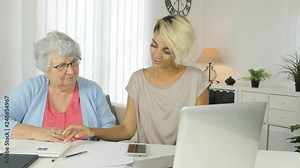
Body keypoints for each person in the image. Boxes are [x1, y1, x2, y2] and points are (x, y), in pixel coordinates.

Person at [63, 15, 210, 145]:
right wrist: (91, 131)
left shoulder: (196, 79)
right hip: (147, 160)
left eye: (166, 51)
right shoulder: (138, 79)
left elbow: (202, 133)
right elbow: (127, 129)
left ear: (179, 51)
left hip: (184, 160)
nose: (156, 55)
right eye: (153, 45)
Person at [0, 31, 116, 142]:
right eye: (61, 66)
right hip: (38, 160)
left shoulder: (93, 90)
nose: (70, 71)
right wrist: (35, 132)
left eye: (74, 62)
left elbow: (110, 130)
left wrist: (93, 132)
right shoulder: (32, 88)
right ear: (46, 69)